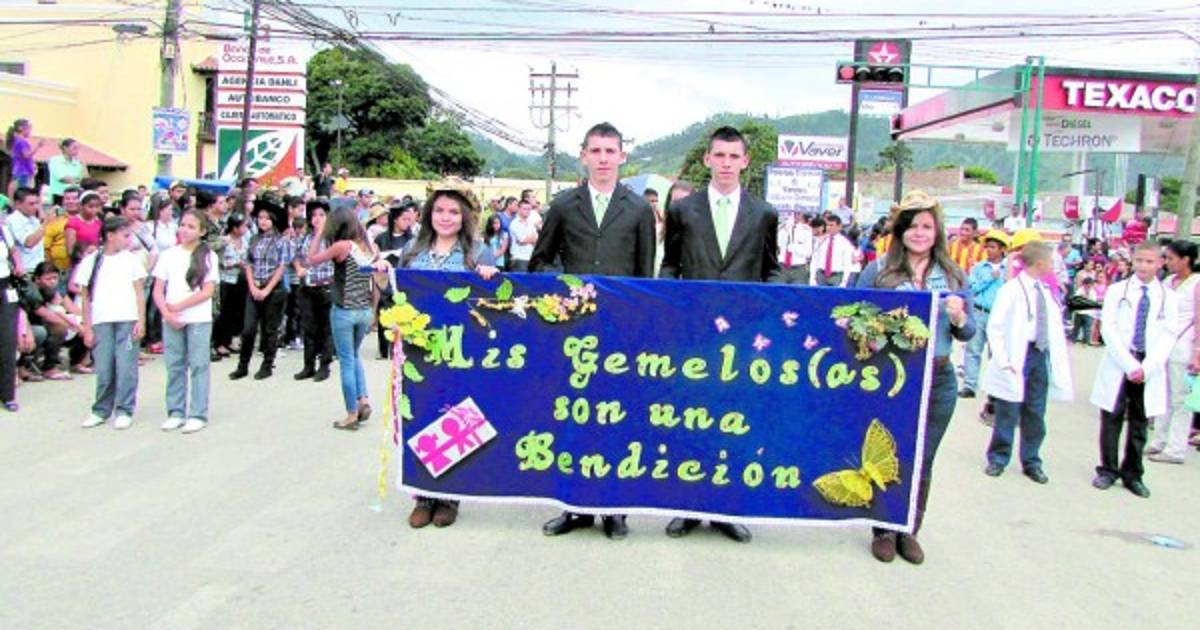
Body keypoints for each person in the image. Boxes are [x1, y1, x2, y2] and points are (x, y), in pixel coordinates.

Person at [529, 122, 656, 540]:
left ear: (622, 156)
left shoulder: (639, 210)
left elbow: (645, 278)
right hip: (572, 331)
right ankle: (573, 506)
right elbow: (540, 261)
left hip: (620, 333)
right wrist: (564, 290)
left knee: (615, 419)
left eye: (610, 151)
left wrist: (638, 329)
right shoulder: (564, 205)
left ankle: (614, 508)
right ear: (583, 155)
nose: (603, 158)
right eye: (595, 150)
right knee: (572, 418)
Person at [659, 125, 782, 544]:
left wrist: (769, 304)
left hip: (742, 336)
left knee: (735, 420)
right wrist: (671, 303)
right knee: (692, 418)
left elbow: (772, 269)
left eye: (734, 157)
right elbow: (671, 265)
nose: (726, 164)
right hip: (694, 333)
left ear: (745, 162)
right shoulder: (683, 210)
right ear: (707, 159)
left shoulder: (764, 214)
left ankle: (726, 507)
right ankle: (688, 506)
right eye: (720, 156)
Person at [856, 190, 975, 564]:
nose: (919, 233)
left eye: (926, 226)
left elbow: (969, 332)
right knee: (888, 451)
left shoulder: (953, 275)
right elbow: (852, 315)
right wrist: (872, 330)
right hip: (893, 376)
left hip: (938, 377)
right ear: (900, 231)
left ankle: (909, 528)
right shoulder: (879, 272)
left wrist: (958, 316)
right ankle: (883, 528)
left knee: (923, 457)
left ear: (937, 231)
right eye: (912, 226)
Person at [397, 186, 498, 529]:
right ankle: (423, 494)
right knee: (421, 414)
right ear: (429, 213)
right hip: (418, 349)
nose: (446, 217)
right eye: (440, 210)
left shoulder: (478, 252)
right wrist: (381, 274)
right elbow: (394, 292)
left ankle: (450, 495)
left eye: (454, 212)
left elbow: (492, 301)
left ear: (464, 217)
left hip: (460, 350)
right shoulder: (412, 250)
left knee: (456, 417)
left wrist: (489, 277)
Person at [1090, 242, 1178, 499]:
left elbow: (1169, 334)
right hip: (1120, 361)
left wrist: (1147, 367)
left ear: (1160, 263)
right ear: (1132, 260)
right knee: (1112, 417)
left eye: (1149, 261)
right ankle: (1108, 469)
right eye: (1139, 260)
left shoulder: (1168, 297)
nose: (1143, 266)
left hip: (1149, 364)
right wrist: (1129, 364)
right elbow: (1108, 328)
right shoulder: (1117, 291)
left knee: (1140, 421)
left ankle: (1133, 473)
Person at [981, 241, 1074, 483]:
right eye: (1051, 262)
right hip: (1015, 355)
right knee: (1008, 410)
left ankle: (1031, 460)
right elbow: (995, 326)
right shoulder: (1011, 290)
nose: (1053, 266)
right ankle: (998, 457)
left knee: (1035, 410)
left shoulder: (1045, 291)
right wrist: (1003, 359)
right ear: (1041, 263)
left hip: (1038, 354)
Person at [306, 206, 385, 430]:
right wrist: (373, 310)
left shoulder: (342, 246)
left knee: (346, 360)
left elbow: (311, 259)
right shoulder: (370, 247)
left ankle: (351, 413)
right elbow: (376, 281)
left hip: (344, 310)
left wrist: (319, 233)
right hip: (364, 309)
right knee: (355, 355)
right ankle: (364, 399)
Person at [152, 211, 219, 434]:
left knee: (199, 365)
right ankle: (175, 412)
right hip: (171, 319)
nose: (185, 230)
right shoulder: (168, 255)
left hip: (198, 318)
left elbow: (208, 290)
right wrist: (167, 313)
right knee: (174, 365)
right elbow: (158, 290)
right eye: (183, 225)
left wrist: (180, 306)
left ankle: (198, 413)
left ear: (202, 231)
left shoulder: (208, 256)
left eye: (191, 227)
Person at [78, 216, 147, 429]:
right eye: (125, 236)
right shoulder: (92, 261)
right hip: (101, 320)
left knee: (126, 367)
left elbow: (139, 292)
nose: (129, 240)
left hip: (127, 319)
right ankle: (100, 409)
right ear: (110, 236)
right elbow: (85, 297)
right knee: (104, 368)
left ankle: (124, 409)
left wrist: (141, 320)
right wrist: (87, 327)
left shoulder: (131, 260)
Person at [1146, 240, 1200, 465]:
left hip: (1184, 345)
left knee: (1180, 399)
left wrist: (1197, 352)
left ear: (1185, 260)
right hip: (1164, 344)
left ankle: (1176, 447)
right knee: (1163, 394)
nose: (1167, 262)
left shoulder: (1196, 283)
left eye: (1171, 258)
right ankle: (1159, 440)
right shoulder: (1168, 282)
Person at [229, 197, 293, 381]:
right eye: (260, 218)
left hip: (274, 289)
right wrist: (252, 286)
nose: (263, 221)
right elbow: (248, 264)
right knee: (248, 329)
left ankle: (267, 365)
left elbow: (282, 267)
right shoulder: (254, 239)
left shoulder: (281, 241)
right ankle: (242, 366)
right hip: (254, 286)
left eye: (267, 218)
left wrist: (267, 290)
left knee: (270, 329)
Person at [960, 230, 1009, 398]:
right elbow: (972, 288)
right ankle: (969, 385)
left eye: (993, 247)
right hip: (980, 311)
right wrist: (989, 279)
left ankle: (995, 388)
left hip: (999, 315)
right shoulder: (979, 268)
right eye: (987, 247)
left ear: (1002, 249)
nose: (989, 250)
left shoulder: (1008, 269)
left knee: (996, 352)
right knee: (973, 349)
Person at [19, 262, 85, 381]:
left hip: (43, 324)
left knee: (84, 325)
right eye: (48, 279)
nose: (53, 282)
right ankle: (49, 368)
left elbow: (69, 309)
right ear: (37, 279)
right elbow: (46, 314)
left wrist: (81, 323)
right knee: (57, 328)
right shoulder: (31, 290)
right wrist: (70, 325)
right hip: (28, 327)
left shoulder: (53, 290)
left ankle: (79, 362)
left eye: (55, 278)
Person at [294, 201, 335, 381]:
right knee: (309, 328)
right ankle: (308, 365)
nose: (317, 219)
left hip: (326, 286)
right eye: (314, 216)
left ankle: (324, 365)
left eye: (321, 215)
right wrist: (299, 268)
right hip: (307, 286)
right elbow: (297, 255)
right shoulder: (306, 237)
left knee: (326, 329)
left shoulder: (332, 238)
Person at [373, 202, 418, 360]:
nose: (407, 222)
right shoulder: (381, 238)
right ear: (395, 219)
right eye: (404, 219)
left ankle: (399, 349)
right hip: (384, 280)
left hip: (403, 280)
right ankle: (383, 349)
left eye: (409, 219)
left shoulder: (412, 240)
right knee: (384, 311)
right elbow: (374, 257)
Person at [213, 212, 248, 359]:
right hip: (227, 279)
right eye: (243, 226)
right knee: (225, 312)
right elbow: (219, 260)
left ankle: (232, 339)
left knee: (238, 311)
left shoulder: (245, 240)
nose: (245, 229)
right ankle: (220, 342)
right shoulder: (225, 240)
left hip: (242, 279)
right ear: (234, 228)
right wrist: (235, 263)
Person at [0, 212, 23, 411]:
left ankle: (7, 395)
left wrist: (19, 264)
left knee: (7, 342)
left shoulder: (3, 230)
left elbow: (14, 251)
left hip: (4, 287)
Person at [6, 187, 49, 277]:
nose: (36, 207)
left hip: (38, 268)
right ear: (18, 204)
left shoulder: (33, 219)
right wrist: (45, 223)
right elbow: (29, 243)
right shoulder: (13, 220)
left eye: (37, 203)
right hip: (24, 270)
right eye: (31, 204)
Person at [809, 214, 855, 287]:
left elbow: (847, 264)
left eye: (831, 225)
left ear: (839, 226)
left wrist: (844, 281)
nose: (828, 228)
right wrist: (812, 278)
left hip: (836, 276)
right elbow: (815, 259)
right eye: (827, 225)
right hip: (821, 275)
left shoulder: (845, 243)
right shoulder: (820, 240)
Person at [6, 119, 42, 196]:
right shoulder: (21, 141)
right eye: (29, 128)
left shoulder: (17, 140)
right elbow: (26, 155)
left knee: (22, 194)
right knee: (24, 195)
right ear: (21, 128)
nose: (30, 131)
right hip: (23, 173)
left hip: (20, 172)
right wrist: (38, 146)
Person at [777, 212, 814, 285]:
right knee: (780, 290)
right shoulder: (781, 228)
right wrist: (786, 230)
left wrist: (793, 248)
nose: (795, 216)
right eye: (793, 214)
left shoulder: (806, 230)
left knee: (798, 290)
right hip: (782, 266)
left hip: (799, 267)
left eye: (798, 214)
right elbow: (778, 244)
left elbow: (808, 253)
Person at [47, 138, 87, 206]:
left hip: (75, 195)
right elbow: (61, 178)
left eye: (78, 148)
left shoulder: (77, 163)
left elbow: (83, 179)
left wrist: (83, 166)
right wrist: (75, 181)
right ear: (65, 148)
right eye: (74, 148)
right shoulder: (55, 160)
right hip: (59, 195)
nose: (77, 150)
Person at [507, 199, 538, 272]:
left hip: (531, 257)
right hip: (519, 259)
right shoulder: (515, 223)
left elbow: (537, 239)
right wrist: (530, 239)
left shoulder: (531, 223)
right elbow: (522, 240)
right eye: (525, 209)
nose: (527, 211)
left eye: (529, 209)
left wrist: (529, 239)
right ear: (519, 209)